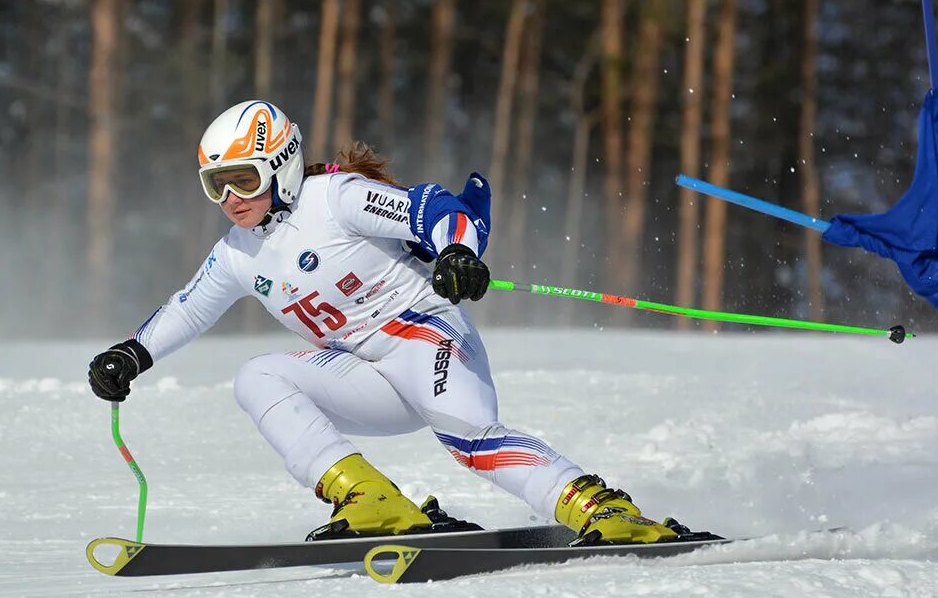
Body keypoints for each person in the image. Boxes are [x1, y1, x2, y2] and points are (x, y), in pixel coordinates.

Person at [88, 99, 677, 544]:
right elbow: (188, 306)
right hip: (364, 373)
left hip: (425, 335)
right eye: (216, 185)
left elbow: (435, 210)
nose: (231, 198)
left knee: (468, 439)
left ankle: (603, 511)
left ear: (282, 166)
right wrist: (131, 354)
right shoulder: (238, 252)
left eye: (244, 179)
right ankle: (372, 501)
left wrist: (456, 252)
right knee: (258, 376)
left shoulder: (336, 198)